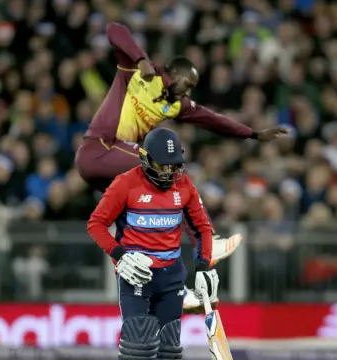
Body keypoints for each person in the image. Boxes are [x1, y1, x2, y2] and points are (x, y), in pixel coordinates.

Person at [77, 22, 289, 311]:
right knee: (168, 170)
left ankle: (172, 289)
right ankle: (208, 243)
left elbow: (215, 120)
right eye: (186, 84)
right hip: (99, 148)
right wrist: (140, 58)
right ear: (172, 74)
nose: (187, 91)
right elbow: (114, 29)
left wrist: (252, 134)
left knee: (141, 222)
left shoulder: (177, 106)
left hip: (116, 167)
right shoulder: (137, 72)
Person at [87, 127, 219, 360]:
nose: (170, 172)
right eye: (163, 166)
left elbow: (202, 227)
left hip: (171, 276)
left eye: (175, 166)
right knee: (138, 344)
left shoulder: (183, 186)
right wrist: (119, 255)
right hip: (136, 274)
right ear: (146, 160)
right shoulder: (125, 184)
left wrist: (203, 267)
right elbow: (96, 223)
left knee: (169, 350)